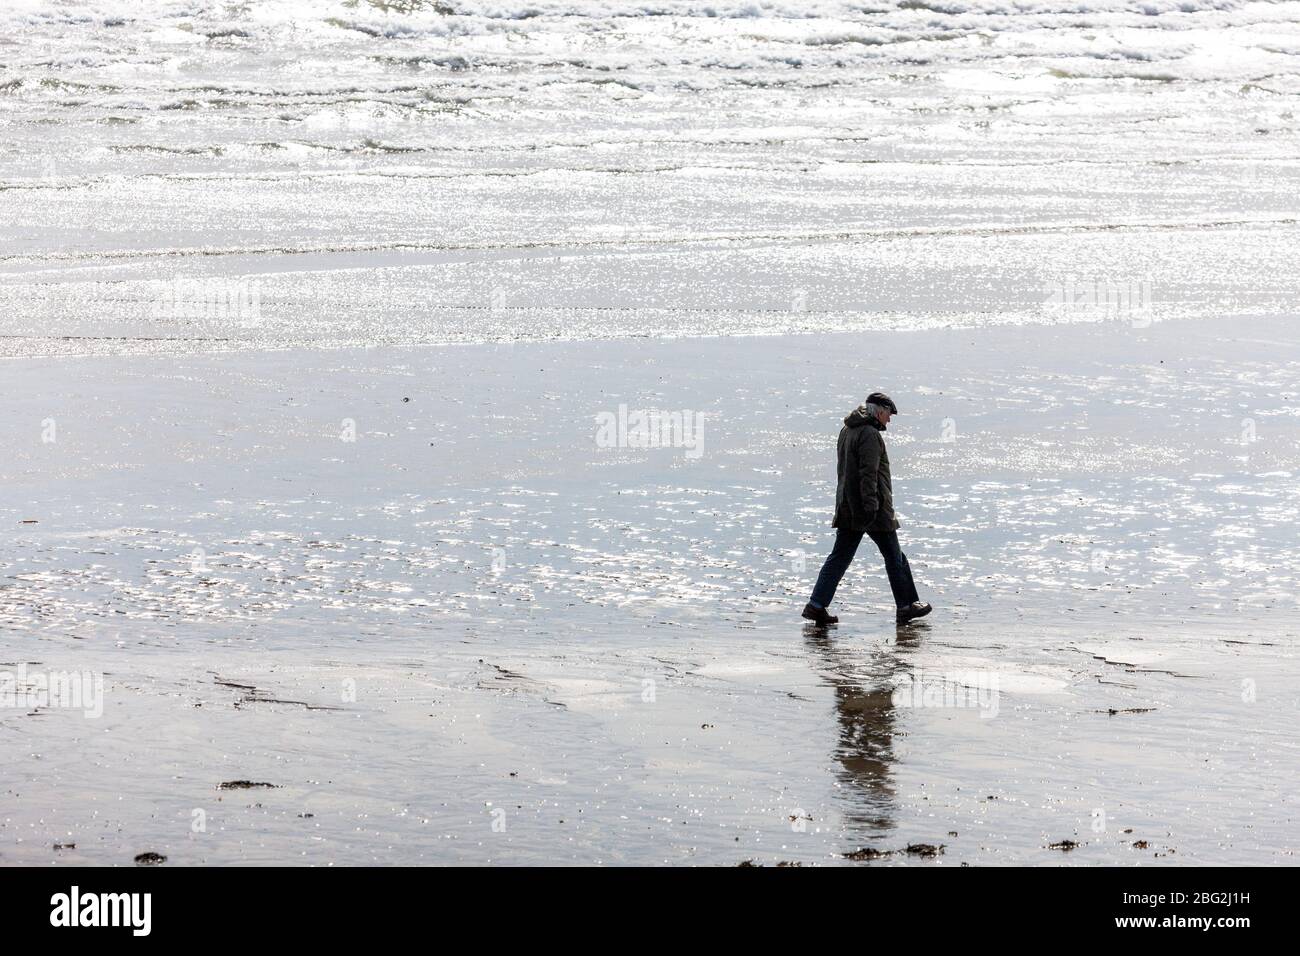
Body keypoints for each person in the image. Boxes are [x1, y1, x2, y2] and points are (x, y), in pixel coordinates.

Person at [802, 392, 932, 626]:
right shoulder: (870, 434)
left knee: (839, 558)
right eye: (888, 415)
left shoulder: (847, 430)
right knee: (895, 557)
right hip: (871, 509)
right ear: (879, 411)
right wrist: (872, 508)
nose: (889, 421)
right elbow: (868, 474)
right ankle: (906, 606)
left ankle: (816, 605)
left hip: (847, 505)